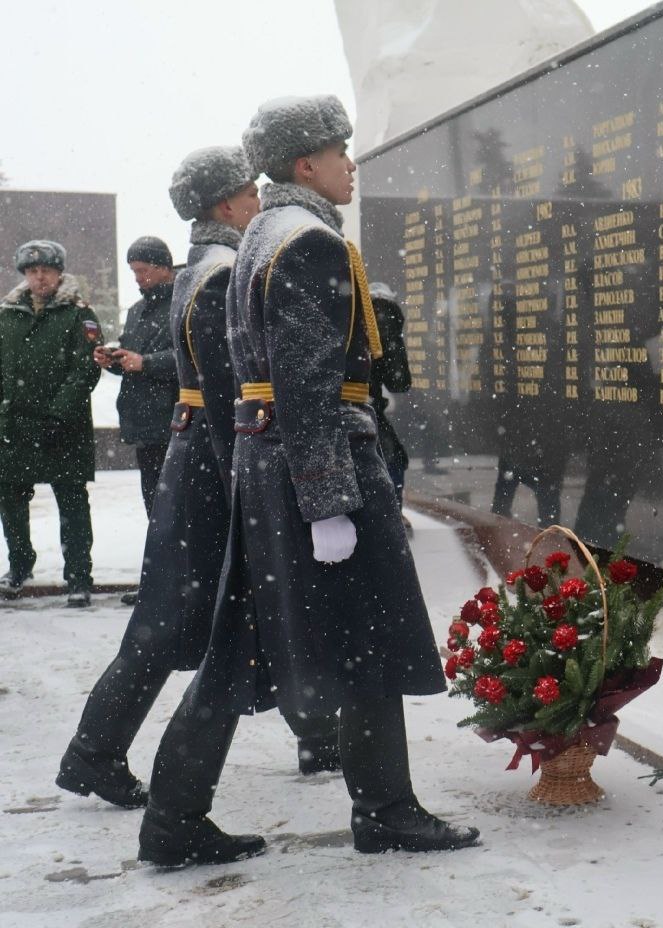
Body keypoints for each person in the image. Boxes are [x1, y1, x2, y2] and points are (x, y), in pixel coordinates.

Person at [138, 96, 479, 867]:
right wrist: (330, 502)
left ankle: (173, 817)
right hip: (317, 463)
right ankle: (387, 810)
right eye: (339, 151)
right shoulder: (308, 243)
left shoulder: (261, 232)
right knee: (370, 639)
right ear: (305, 165)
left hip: (269, 464)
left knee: (237, 645)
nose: (350, 164)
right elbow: (306, 383)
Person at [57, 147, 341, 813]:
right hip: (210, 471)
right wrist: (243, 483)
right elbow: (221, 396)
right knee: (176, 623)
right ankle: (95, 752)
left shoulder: (201, 270)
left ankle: (315, 733)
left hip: (193, 466)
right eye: (249, 194)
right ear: (225, 206)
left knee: (214, 616)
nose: (257, 204)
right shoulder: (218, 274)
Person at [0, 241, 102, 606]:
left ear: (59, 273)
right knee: (10, 500)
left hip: (64, 426)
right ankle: (19, 566)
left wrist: (58, 412)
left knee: (72, 503)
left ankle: (78, 577)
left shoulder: (79, 314)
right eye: (32, 271)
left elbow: (86, 368)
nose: (39, 277)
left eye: (46, 270)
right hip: (14, 427)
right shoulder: (7, 314)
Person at [95, 237, 179, 519]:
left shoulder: (184, 303)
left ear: (165, 267)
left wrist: (146, 362)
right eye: (133, 271)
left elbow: (194, 358)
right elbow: (134, 357)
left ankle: (174, 560)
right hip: (144, 423)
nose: (137, 278)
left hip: (174, 421)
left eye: (143, 270)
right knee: (154, 503)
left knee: (176, 505)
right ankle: (160, 559)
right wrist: (114, 360)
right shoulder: (136, 311)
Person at [367, 282, 412, 511]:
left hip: (338, 410)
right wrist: (390, 323)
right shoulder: (384, 318)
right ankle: (391, 515)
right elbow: (399, 382)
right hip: (363, 410)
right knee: (391, 459)